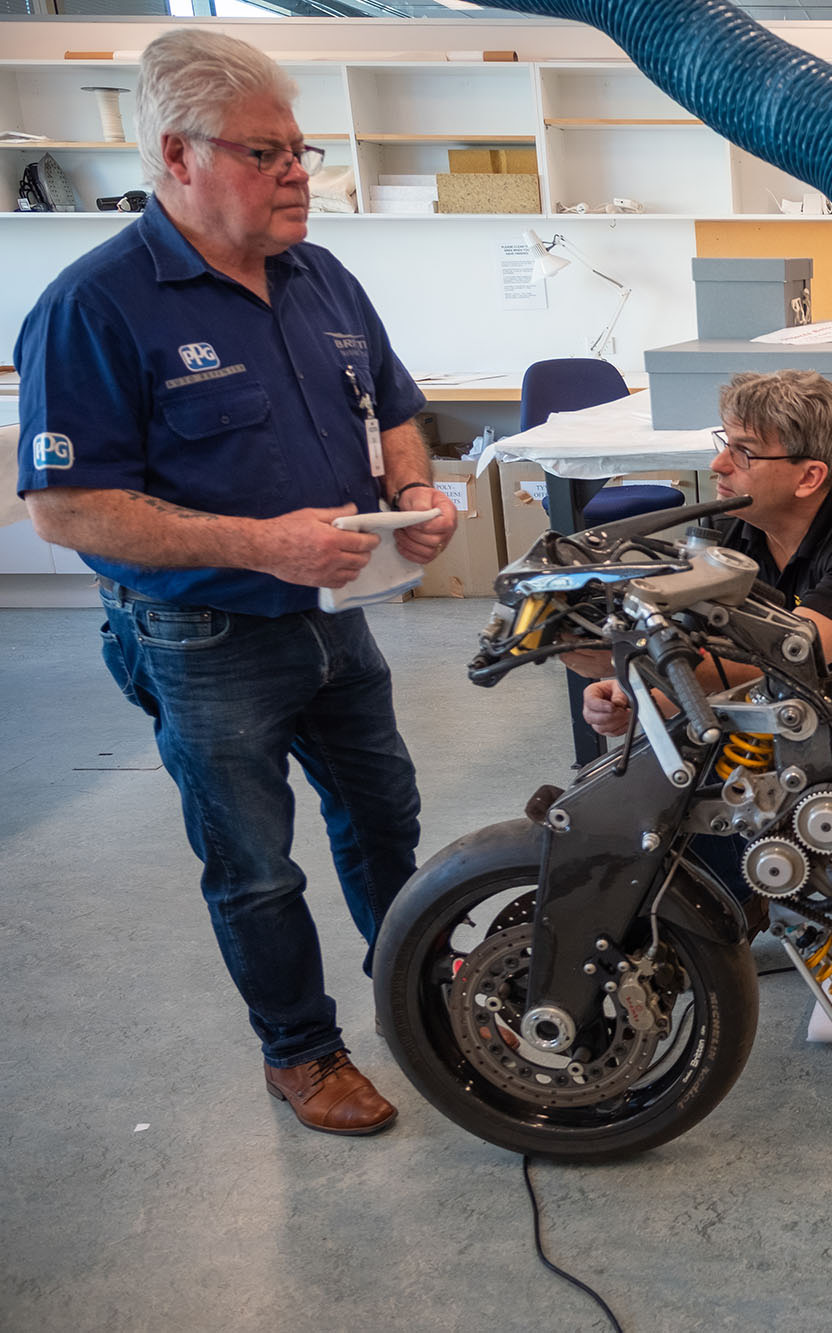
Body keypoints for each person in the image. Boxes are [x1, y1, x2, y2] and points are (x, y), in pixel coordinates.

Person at [14, 30, 459, 1138]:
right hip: (203, 636)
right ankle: (302, 1053)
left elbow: (393, 404)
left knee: (384, 820)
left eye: (299, 149)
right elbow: (66, 507)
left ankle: (424, 996)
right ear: (177, 154)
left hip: (336, 617)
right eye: (266, 153)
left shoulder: (321, 275)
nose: (298, 172)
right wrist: (264, 545)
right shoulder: (96, 305)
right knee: (255, 863)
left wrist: (417, 491)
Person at [581, 369, 832, 736]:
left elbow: (790, 657)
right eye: (725, 444)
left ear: (808, 478)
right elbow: (703, 651)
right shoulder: (727, 533)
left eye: (745, 453)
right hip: (783, 721)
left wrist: (629, 660)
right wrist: (639, 698)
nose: (718, 465)